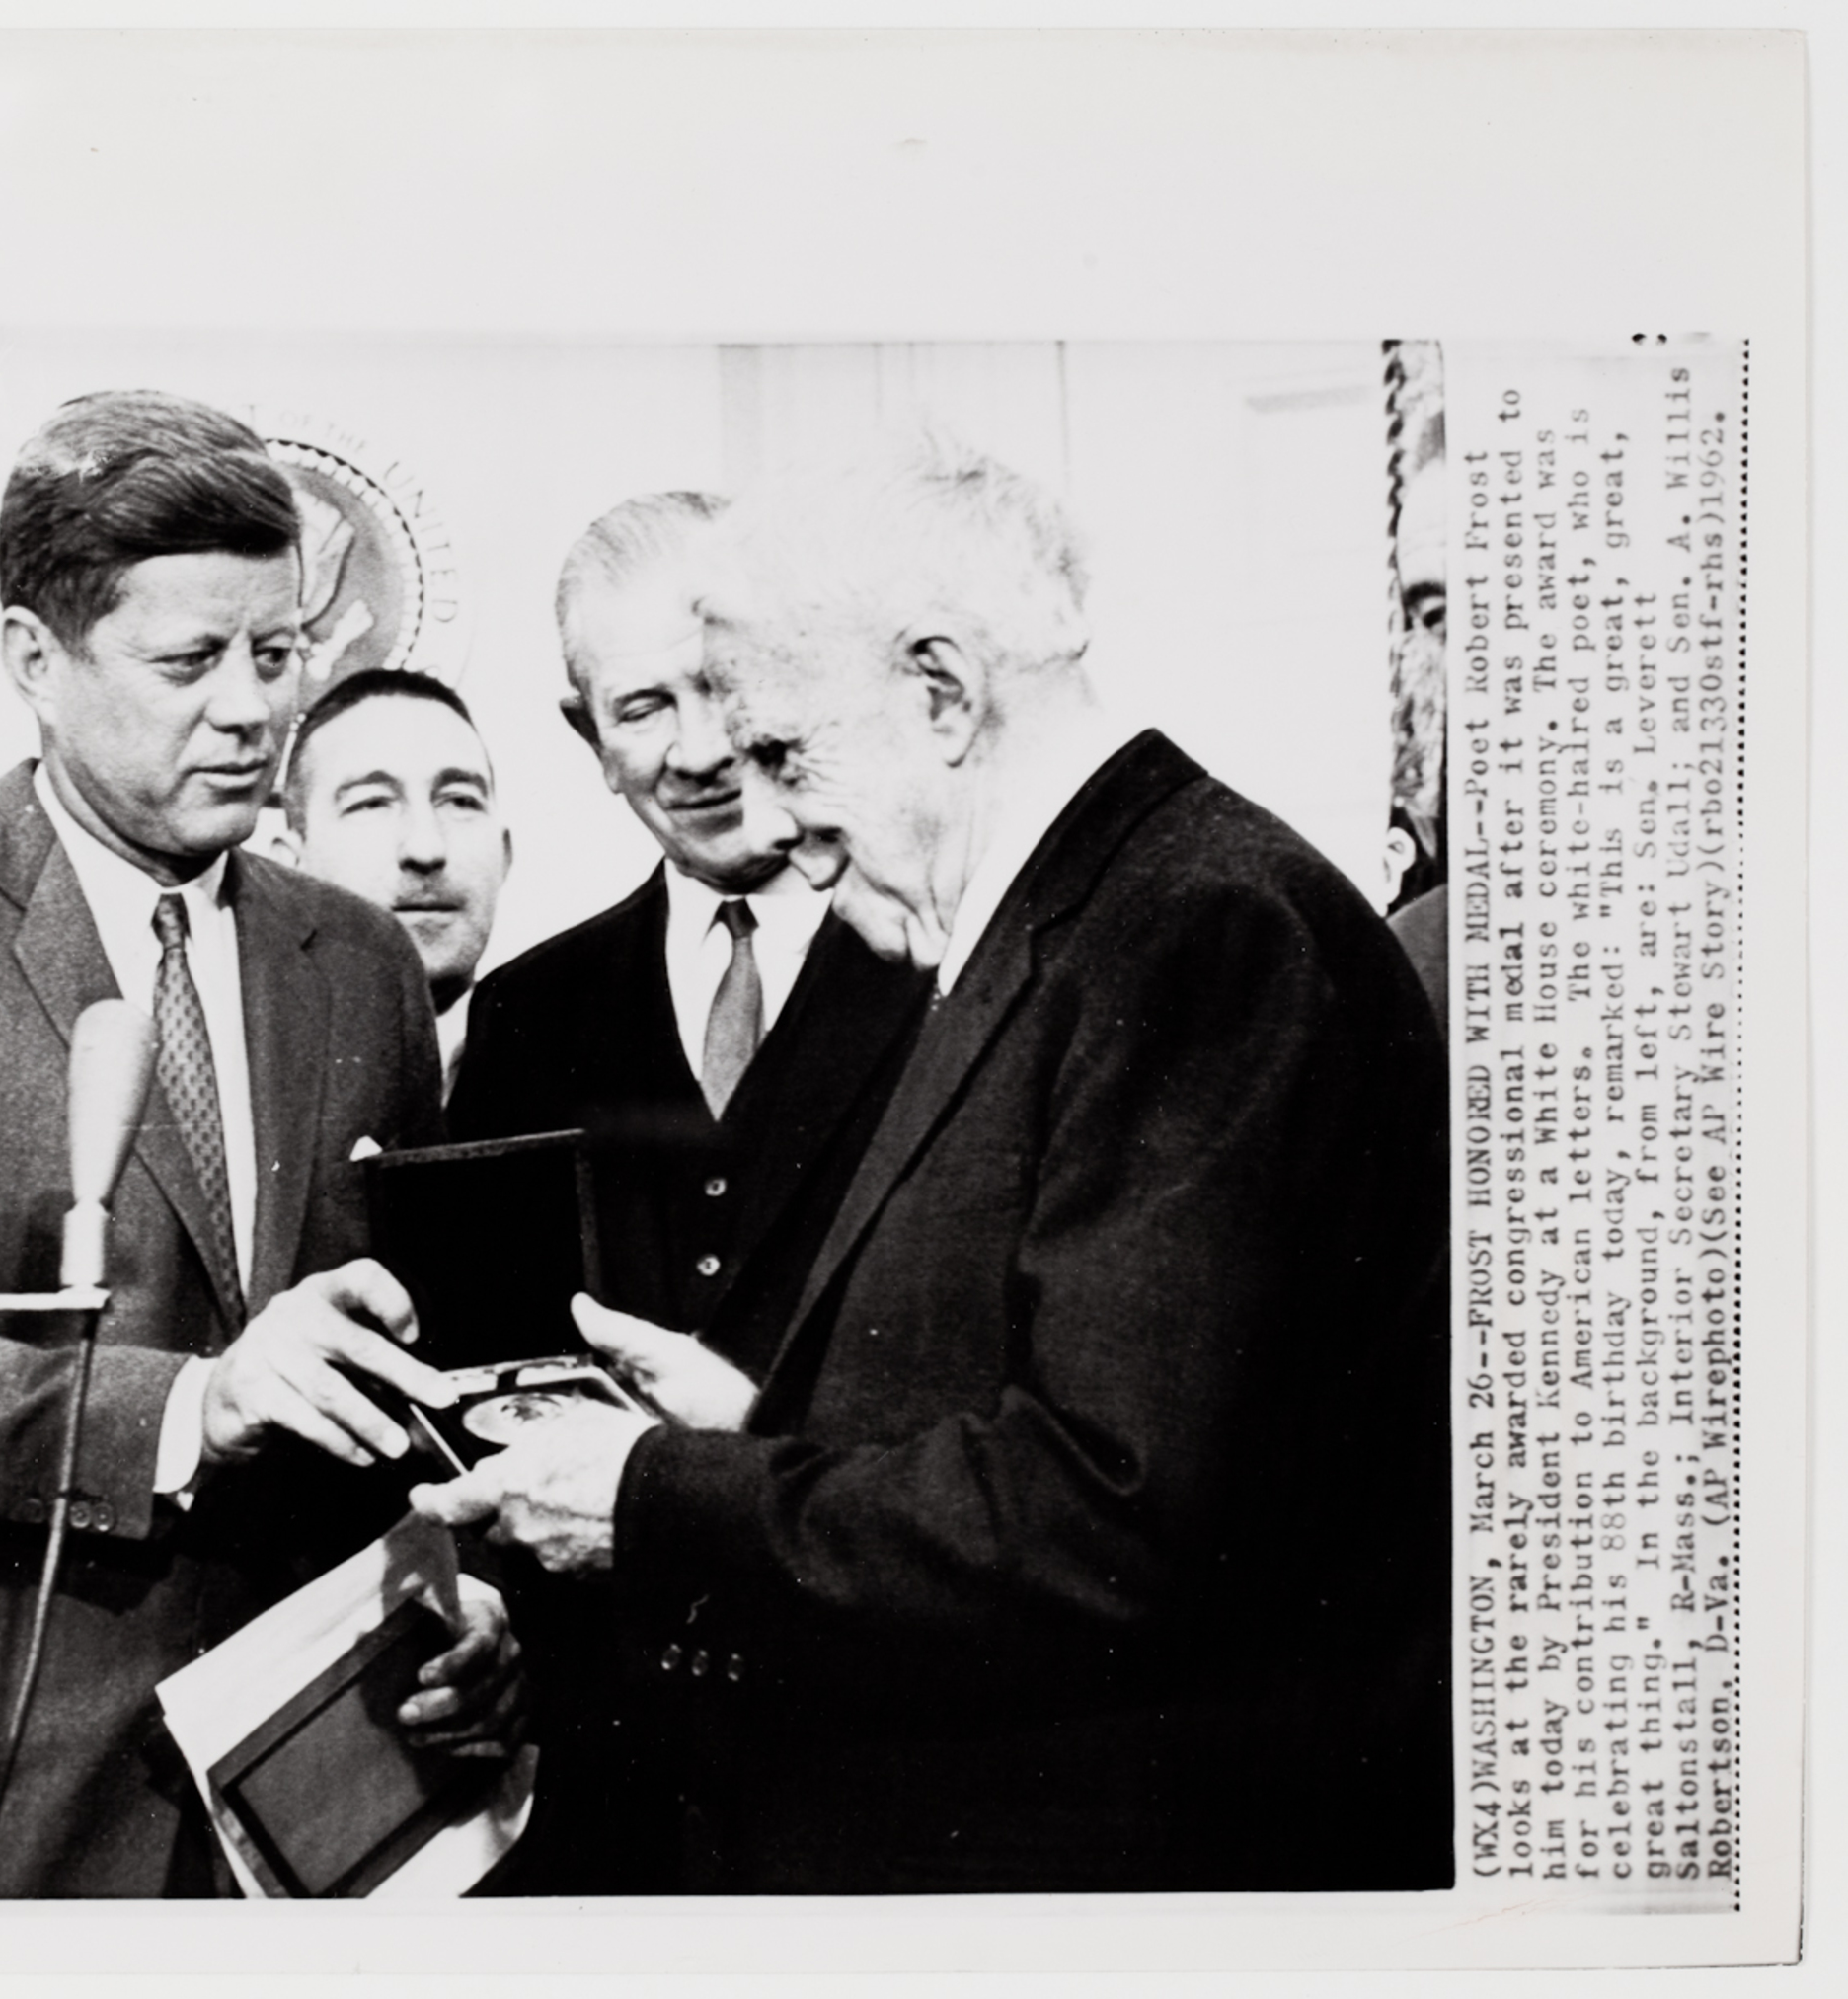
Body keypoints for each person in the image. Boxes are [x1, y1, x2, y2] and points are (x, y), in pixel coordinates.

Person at [418, 434, 1453, 1894]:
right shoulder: (1091, 912)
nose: (771, 822)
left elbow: (1105, 1515)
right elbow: (1044, 1390)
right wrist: (761, 1420)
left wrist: (654, 1497)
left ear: (944, 691)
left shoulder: (1199, 931)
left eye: (786, 751)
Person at [0, 392, 521, 1899]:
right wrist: (188, 1409)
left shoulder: (359, 961)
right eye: (187, 662)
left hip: (297, 1809)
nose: (252, 709)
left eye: (276, 656)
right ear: (35, 660)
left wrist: (461, 1600)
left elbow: (403, 1385)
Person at [444, 494, 930, 1893]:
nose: (702, 747)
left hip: (883, 1749)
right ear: (584, 739)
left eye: (725, 687)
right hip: (612, 1776)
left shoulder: (941, 966)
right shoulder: (527, 1014)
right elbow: (487, 1368)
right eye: (646, 704)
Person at [271, 668, 510, 1098]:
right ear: (290, 870)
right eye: (371, 803)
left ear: (506, 855)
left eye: (459, 800)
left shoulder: (590, 1066)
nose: (425, 848)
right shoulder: (249, 1087)